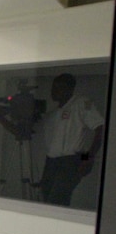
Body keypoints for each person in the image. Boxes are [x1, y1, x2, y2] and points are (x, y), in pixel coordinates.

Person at [39, 73, 104, 206]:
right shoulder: (53, 112)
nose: (54, 91)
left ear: (70, 89)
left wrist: (87, 159)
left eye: (59, 87)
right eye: (53, 87)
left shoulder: (80, 103)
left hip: (70, 160)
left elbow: (99, 128)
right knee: (46, 198)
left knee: (57, 199)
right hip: (51, 161)